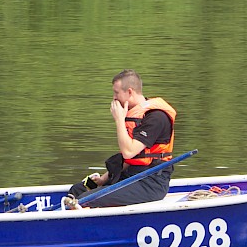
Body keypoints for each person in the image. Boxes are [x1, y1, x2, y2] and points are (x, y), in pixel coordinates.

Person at [65, 70, 176, 209]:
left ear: (129, 92)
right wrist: (103, 179)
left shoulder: (156, 117)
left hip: (150, 181)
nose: (114, 98)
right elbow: (131, 159)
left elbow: (129, 152)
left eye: (116, 93)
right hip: (130, 175)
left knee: (86, 200)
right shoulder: (134, 115)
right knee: (77, 191)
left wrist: (119, 120)